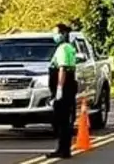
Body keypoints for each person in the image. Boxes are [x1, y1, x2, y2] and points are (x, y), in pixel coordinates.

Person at [47, 23, 78, 159]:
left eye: (56, 33)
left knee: (61, 120)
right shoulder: (69, 47)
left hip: (64, 87)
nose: (55, 36)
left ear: (64, 34)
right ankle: (64, 149)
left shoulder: (63, 49)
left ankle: (63, 149)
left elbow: (62, 69)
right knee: (65, 120)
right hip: (69, 86)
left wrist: (59, 88)